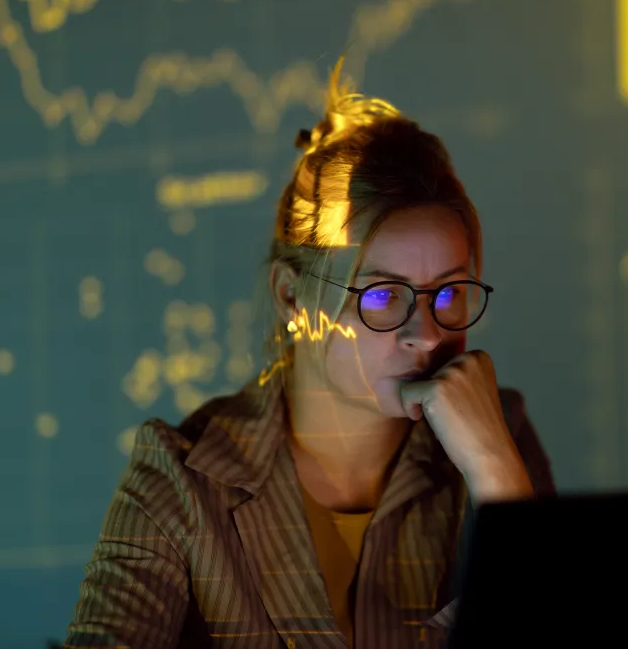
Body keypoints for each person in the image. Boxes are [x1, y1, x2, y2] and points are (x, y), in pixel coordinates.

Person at [64, 59, 556, 649]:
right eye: (381, 295)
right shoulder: (179, 482)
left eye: (449, 292)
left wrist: (500, 478)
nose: (426, 335)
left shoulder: (499, 438)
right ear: (292, 296)